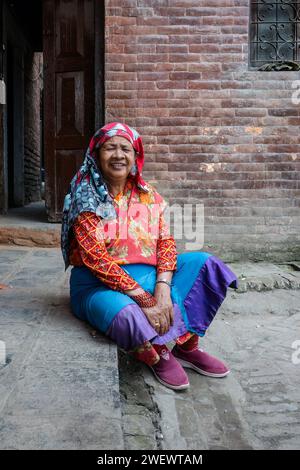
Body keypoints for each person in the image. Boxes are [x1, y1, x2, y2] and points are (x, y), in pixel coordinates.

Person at [61, 122, 238, 391]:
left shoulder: (147, 195)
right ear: (96, 155)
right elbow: (95, 258)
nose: (118, 155)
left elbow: (165, 241)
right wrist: (145, 298)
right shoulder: (86, 196)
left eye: (126, 149)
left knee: (206, 266)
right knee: (127, 316)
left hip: (150, 275)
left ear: (135, 157)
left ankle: (186, 346)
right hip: (97, 285)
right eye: (110, 148)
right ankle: (157, 353)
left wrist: (163, 287)